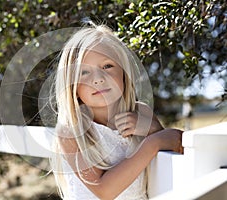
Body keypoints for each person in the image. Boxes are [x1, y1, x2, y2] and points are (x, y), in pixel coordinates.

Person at [50, 23, 183, 200]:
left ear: (123, 72)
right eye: (84, 72)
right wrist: (153, 143)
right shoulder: (71, 130)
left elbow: (179, 144)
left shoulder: (141, 112)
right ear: (72, 85)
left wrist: (151, 130)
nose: (97, 79)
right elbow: (104, 191)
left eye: (107, 66)